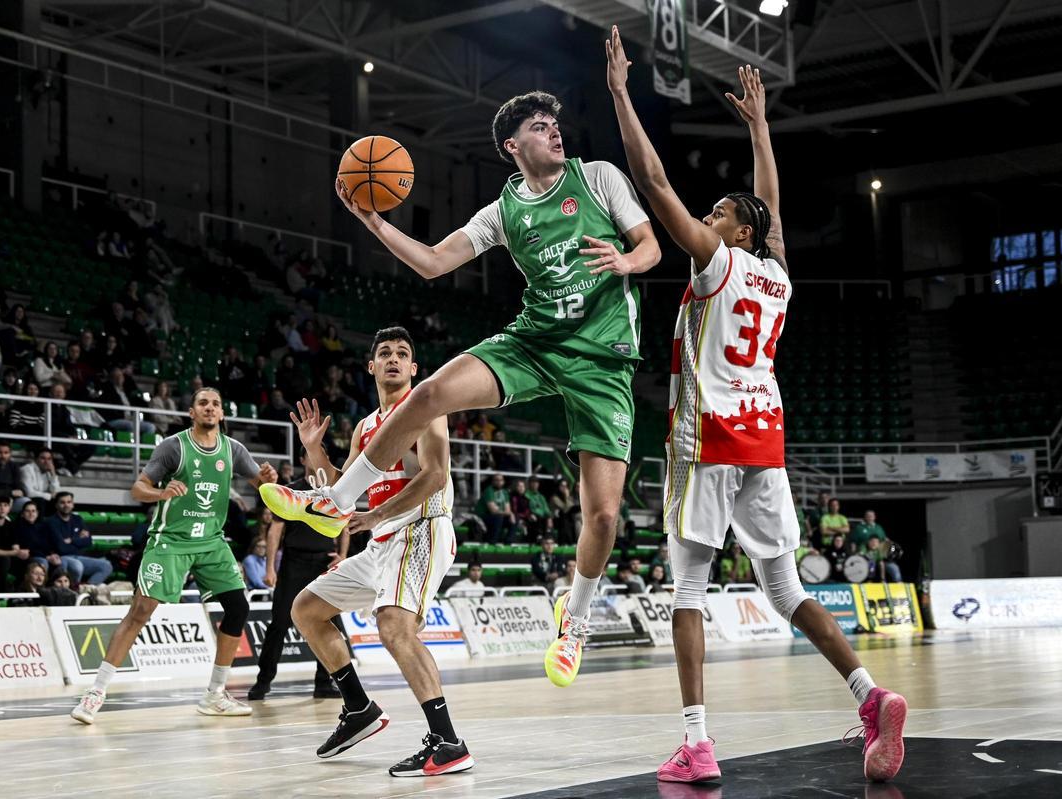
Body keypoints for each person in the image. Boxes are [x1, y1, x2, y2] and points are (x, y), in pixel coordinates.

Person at [604, 33, 906, 784]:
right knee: (786, 589)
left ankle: (697, 742)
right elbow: (769, 212)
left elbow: (652, 179)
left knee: (686, 590)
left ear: (735, 233)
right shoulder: (778, 275)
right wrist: (761, 129)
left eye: (718, 212)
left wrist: (619, 96)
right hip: (765, 440)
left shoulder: (716, 262)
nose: (707, 216)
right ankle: (870, 696)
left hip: (708, 438)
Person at [306, 86, 662, 689]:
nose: (554, 131)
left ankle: (573, 620)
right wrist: (373, 220)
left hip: (603, 360)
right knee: (426, 396)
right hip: (536, 341)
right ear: (512, 145)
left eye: (554, 123)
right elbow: (432, 262)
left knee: (603, 516)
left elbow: (649, 245)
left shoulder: (598, 177)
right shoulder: (503, 211)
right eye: (540, 126)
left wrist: (628, 261)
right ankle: (340, 498)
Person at [260, 327, 473, 776]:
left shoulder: (427, 409)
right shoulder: (365, 427)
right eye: (385, 353)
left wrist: (377, 516)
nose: (394, 359)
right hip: (382, 540)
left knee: (394, 626)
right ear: (371, 366)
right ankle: (359, 708)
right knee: (306, 609)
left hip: (421, 528)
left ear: (413, 368)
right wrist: (314, 450)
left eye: (402, 353)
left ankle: (448, 742)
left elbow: (435, 475)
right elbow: (344, 487)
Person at [70, 387, 277, 724]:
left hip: (211, 541)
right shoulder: (173, 447)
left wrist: (268, 480)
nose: (209, 408)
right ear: (191, 413)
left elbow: (263, 486)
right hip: (171, 541)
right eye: (203, 403)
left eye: (216, 404)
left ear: (221, 413)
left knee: (238, 607)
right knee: (140, 611)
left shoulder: (233, 449)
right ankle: (96, 692)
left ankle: (215, 694)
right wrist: (161, 492)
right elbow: (138, 488)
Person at [247, 451, 343, 701]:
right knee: (279, 623)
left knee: (331, 623)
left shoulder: (334, 492)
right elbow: (274, 531)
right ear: (302, 460)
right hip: (294, 562)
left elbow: (346, 525)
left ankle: (324, 683)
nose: (316, 458)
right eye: (310, 454)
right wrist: (270, 567)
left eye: (321, 454)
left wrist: (343, 555)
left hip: (324, 563)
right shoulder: (291, 491)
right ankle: (262, 682)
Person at [45, 492, 113, 586]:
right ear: (56, 505)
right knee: (77, 566)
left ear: (73, 504)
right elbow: (61, 548)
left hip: (80, 557)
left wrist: (72, 540)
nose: (66, 505)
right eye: (62, 502)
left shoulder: (77, 519)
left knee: (106, 566)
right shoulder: (51, 522)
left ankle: (86, 589)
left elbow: (88, 541)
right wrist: (79, 540)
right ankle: (74, 589)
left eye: (69, 502)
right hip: (62, 558)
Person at [19, 447, 61, 514]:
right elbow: (29, 493)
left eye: (49, 459)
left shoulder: (49, 472)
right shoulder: (27, 469)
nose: (46, 462)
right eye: (43, 458)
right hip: (25, 500)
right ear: (36, 459)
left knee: (59, 502)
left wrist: (53, 474)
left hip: (43, 500)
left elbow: (55, 492)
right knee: (40, 501)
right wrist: (50, 496)